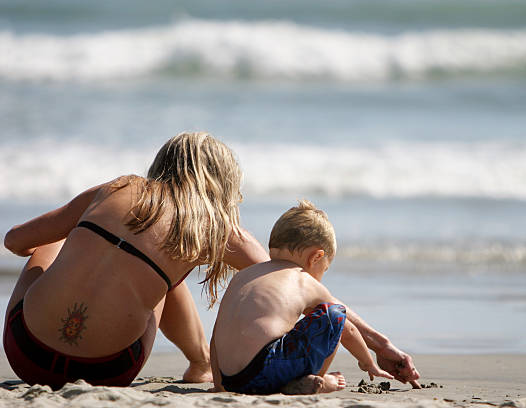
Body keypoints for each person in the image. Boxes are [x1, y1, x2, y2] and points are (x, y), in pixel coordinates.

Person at [2, 132, 270, 390]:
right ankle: (201, 363)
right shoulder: (212, 227)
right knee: (167, 268)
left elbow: (14, 240)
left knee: (53, 236)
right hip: (111, 370)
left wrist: (72, 254)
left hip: (27, 354)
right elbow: (278, 275)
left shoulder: (118, 188)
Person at [210, 200, 420, 395]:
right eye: (325, 268)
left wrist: (221, 384)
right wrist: (368, 363)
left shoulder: (242, 277)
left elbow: (216, 337)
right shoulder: (303, 280)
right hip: (267, 371)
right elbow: (349, 329)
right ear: (316, 257)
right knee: (335, 315)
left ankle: (240, 382)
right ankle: (316, 379)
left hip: (233, 379)